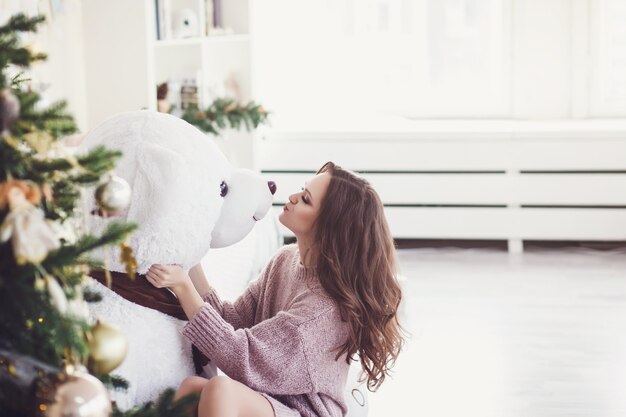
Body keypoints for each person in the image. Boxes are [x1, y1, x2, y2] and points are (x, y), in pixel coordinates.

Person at [146, 162, 404, 417]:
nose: (292, 197)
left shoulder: (319, 312)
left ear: (327, 226)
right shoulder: (285, 260)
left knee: (221, 390)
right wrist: (192, 260)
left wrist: (182, 287)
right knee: (192, 389)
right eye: (302, 190)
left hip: (304, 412)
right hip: (268, 401)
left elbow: (240, 356)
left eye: (305, 199)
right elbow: (232, 322)